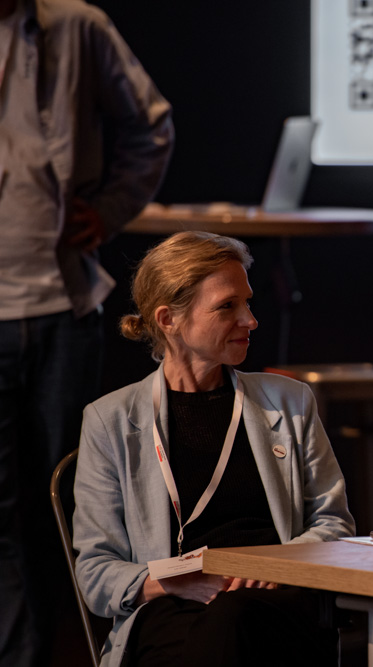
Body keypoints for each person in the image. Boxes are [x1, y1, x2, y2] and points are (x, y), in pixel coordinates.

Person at [72, 232, 355, 667]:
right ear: (168, 320)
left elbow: (334, 526)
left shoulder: (290, 403)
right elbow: (95, 575)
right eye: (228, 306)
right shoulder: (110, 420)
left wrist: (271, 565)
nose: (251, 320)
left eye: (248, 302)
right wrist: (173, 581)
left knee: (232, 618)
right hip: (169, 612)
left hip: (276, 608)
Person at [0, 0, 174, 664]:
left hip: (60, 306)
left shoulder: (74, 25)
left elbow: (151, 125)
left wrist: (108, 210)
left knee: (72, 502)